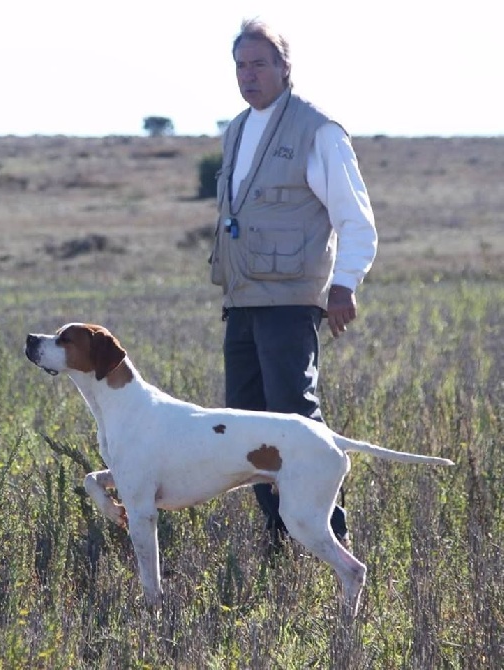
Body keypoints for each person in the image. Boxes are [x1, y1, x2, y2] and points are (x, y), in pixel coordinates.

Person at [209, 18, 378, 552]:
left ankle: (330, 536)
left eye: (260, 63)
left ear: (285, 68)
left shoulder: (318, 129)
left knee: (293, 418)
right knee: (244, 425)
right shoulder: (237, 127)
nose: (248, 74)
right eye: (241, 65)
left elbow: (355, 218)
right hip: (242, 300)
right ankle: (282, 538)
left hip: (289, 300)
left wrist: (344, 285)